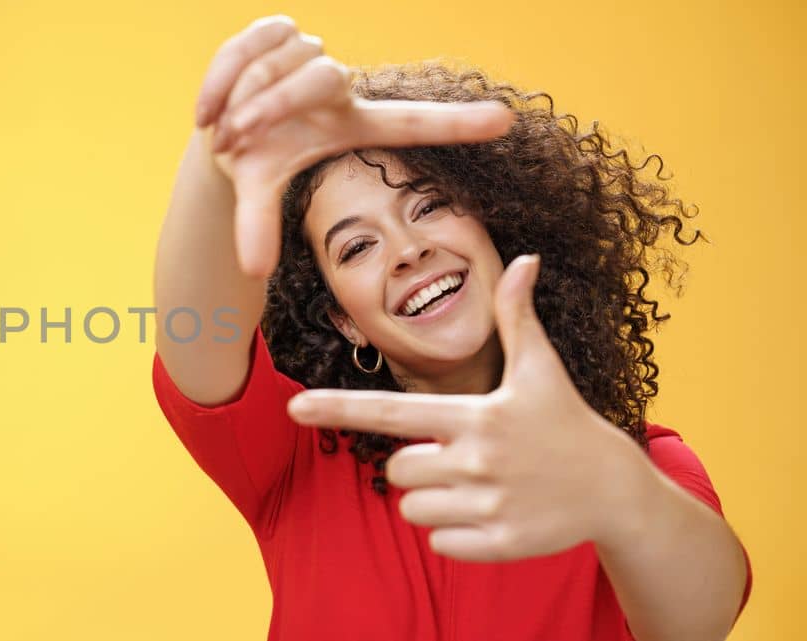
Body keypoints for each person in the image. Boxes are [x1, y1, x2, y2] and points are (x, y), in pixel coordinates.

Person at [150, 15, 752, 641]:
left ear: (500, 230)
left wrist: (618, 491)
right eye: (357, 247)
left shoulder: (643, 465)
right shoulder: (296, 454)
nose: (407, 250)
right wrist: (216, 170)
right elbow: (199, 333)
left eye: (429, 206)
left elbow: (699, 621)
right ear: (344, 322)